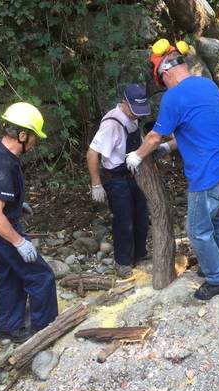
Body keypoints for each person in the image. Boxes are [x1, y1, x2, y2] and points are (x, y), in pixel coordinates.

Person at [126, 41, 219, 301]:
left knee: (197, 230)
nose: (164, 86)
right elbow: (195, 129)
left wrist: (136, 156)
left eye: (162, 81)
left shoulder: (174, 96)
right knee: (215, 221)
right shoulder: (207, 85)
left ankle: (218, 281)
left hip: (209, 172)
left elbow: (155, 136)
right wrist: (169, 149)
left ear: (165, 74)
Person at [0, 102, 58, 343]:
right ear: (22, 135)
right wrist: (19, 242)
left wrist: (14, 205)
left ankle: (7, 326)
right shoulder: (3, 164)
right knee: (41, 276)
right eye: (33, 137)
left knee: (10, 274)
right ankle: (46, 330)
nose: (35, 142)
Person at [86, 84, 151, 278]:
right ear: (124, 103)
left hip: (134, 173)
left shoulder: (134, 119)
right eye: (133, 110)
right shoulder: (112, 124)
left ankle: (139, 254)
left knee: (141, 216)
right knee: (124, 221)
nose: (136, 115)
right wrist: (96, 184)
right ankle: (122, 261)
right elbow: (91, 153)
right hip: (116, 178)